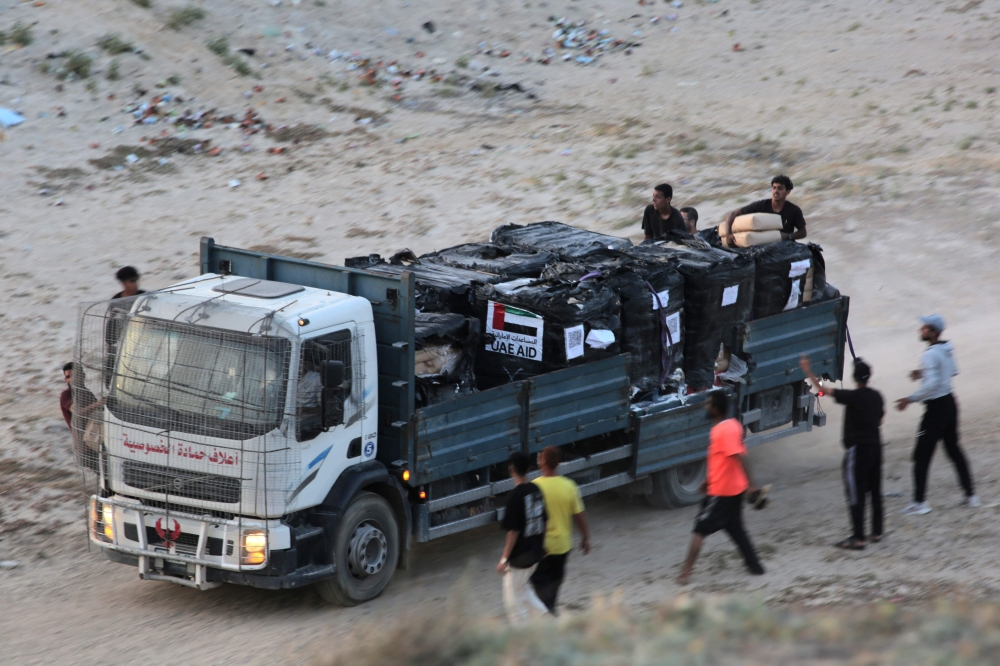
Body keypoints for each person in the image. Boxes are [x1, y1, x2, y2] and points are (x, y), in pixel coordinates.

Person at [678, 391, 764, 584]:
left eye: (708, 404)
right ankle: (755, 566)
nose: (705, 407)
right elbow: (723, 459)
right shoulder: (733, 425)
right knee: (736, 529)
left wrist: (752, 484)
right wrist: (707, 479)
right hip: (734, 489)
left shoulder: (720, 431)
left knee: (700, 530)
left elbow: (738, 456)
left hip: (721, 492)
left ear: (715, 409)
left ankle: (685, 573)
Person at [895, 315, 978, 514]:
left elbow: (932, 384)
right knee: (954, 450)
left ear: (933, 332)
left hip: (936, 408)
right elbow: (950, 372)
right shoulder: (946, 348)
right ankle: (971, 496)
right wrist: (923, 373)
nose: (920, 330)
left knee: (921, 455)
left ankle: (920, 502)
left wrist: (910, 399)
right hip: (950, 403)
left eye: (924, 328)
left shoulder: (929, 355)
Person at [800, 355, 884, 549]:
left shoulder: (852, 397)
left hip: (858, 450)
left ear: (855, 378)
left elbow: (822, 389)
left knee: (856, 493)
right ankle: (877, 532)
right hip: (876, 447)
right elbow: (880, 420)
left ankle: (858, 537)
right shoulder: (877, 396)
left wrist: (807, 370)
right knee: (875, 491)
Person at [529, 446, 590, 614]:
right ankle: (551, 609)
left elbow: (529, 520)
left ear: (542, 462)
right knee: (555, 581)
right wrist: (585, 538)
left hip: (540, 546)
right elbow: (579, 515)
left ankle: (547, 611)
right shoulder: (569, 486)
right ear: (557, 463)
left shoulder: (534, 487)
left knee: (538, 580)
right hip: (562, 545)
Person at [497, 451, 549, 623]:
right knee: (524, 589)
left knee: (513, 603)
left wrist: (504, 559)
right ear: (528, 468)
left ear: (512, 469)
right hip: (535, 553)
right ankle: (547, 618)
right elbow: (545, 520)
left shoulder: (514, 497)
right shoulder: (536, 490)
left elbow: (513, 532)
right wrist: (543, 545)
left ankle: (522, 637)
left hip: (519, 558)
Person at [720, 175, 807, 246]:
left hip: (784, 248)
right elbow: (732, 214)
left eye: (780, 188)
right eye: (774, 188)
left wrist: (788, 236)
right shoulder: (761, 205)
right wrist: (728, 234)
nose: (776, 191)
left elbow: (803, 232)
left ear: (787, 192)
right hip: (763, 248)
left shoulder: (794, 210)